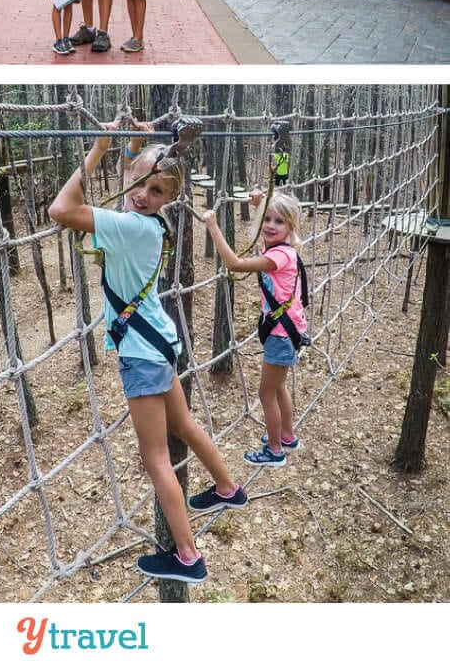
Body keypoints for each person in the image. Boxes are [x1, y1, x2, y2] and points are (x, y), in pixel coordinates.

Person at [49, 124, 248, 585]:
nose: (142, 193)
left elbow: (61, 210)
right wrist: (134, 149)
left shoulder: (130, 226)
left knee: (156, 458)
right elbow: (129, 181)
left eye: (156, 191)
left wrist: (99, 146)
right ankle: (227, 487)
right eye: (140, 183)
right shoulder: (150, 223)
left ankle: (187, 556)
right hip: (161, 343)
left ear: (168, 199)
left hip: (142, 355)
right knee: (184, 425)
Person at [203, 188, 308, 466]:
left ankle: (274, 450)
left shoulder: (280, 256)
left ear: (291, 226)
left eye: (279, 222)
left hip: (280, 334)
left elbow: (235, 264)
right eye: (267, 220)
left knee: (266, 393)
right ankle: (286, 435)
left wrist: (214, 228)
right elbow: (272, 222)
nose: (271, 226)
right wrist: (263, 204)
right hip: (286, 330)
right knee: (278, 388)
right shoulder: (281, 249)